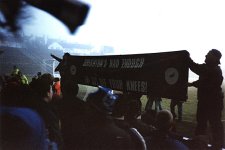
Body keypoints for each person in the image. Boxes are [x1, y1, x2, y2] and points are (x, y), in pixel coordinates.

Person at [188, 49, 224, 150]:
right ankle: (207, 145)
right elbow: (203, 81)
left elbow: (197, 68)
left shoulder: (213, 69)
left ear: (215, 58)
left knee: (210, 125)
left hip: (210, 103)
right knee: (210, 125)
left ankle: (207, 145)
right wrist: (191, 84)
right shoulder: (213, 69)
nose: (206, 55)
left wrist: (186, 57)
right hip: (210, 102)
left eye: (208, 54)